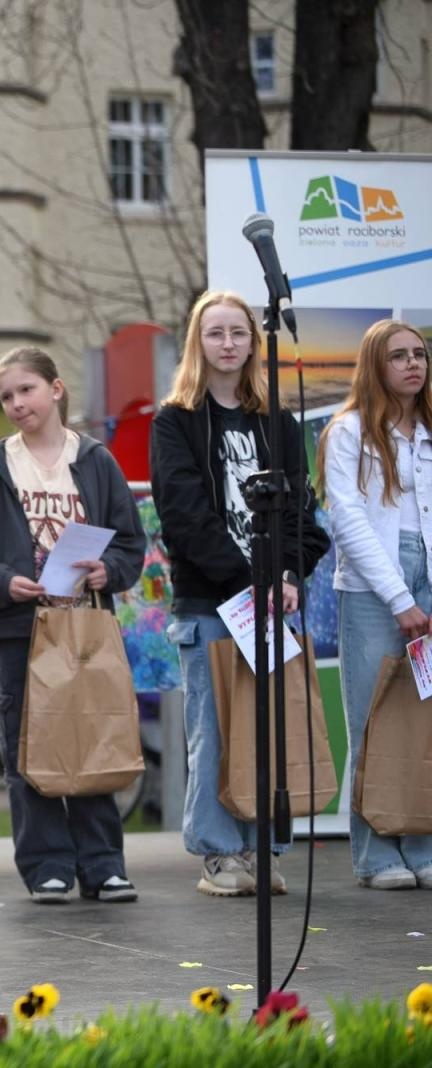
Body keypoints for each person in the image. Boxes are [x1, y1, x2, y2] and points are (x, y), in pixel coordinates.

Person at [149, 291, 329, 897]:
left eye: (238, 333)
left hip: (272, 604)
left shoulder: (277, 421)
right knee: (214, 730)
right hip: (210, 604)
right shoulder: (174, 421)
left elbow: (305, 518)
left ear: (255, 341)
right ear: (197, 344)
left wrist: (287, 576)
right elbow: (183, 517)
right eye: (215, 333)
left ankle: (264, 848)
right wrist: (249, 581)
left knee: (269, 729)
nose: (227, 343)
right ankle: (219, 855)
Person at [0, 347, 146, 904]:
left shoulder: (96, 461)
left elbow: (130, 541)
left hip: (85, 626)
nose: (17, 404)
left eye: (26, 390)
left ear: (55, 390)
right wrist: (3, 583)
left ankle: (104, 864)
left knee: (91, 737)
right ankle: (46, 866)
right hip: (21, 630)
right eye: (6, 396)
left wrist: (108, 571)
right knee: (28, 747)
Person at [318, 319, 432, 891]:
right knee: (372, 719)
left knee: (425, 720)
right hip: (372, 585)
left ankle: (422, 841)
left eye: (420, 354)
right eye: (399, 356)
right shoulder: (350, 431)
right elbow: (349, 521)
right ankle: (375, 853)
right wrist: (399, 596)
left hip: (429, 575)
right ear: (374, 364)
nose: (413, 363)